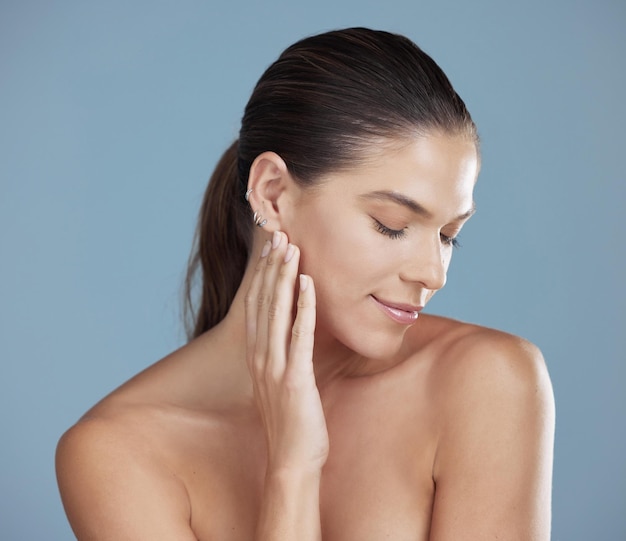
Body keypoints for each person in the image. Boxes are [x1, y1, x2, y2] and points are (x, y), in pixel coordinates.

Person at [56, 27, 555, 540]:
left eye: (450, 235)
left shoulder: (485, 382)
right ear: (272, 195)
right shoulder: (117, 453)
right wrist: (292, 467)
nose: (434, 273)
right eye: (391, 224)